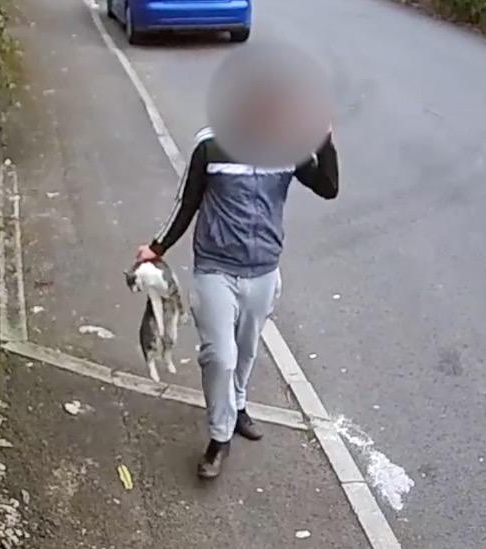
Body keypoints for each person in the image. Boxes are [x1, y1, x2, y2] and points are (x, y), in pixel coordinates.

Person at [135, 106, 339, 479]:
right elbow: (188, 201)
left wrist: (325, 140)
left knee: (246, 349)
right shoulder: (211, 146)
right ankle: (219, 437)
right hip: (215, 269)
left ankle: (239, 404)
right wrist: (158, 247)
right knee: (220, 357)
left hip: (263, 270)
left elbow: (328, 188)